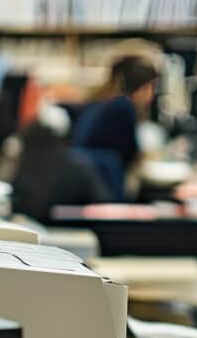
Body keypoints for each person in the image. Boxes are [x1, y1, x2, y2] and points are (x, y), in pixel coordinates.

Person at [71, 55, 158, 199]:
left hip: (89, 186)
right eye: (151, 87)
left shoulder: (101, 103)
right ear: (143, 88)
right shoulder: (123, 107)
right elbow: (130, 154)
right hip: (104, 188)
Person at [11, 106, 113, 224]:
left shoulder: (24, 160)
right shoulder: (79, 164)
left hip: (35, 227)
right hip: (68, 231)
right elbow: (102, 206)